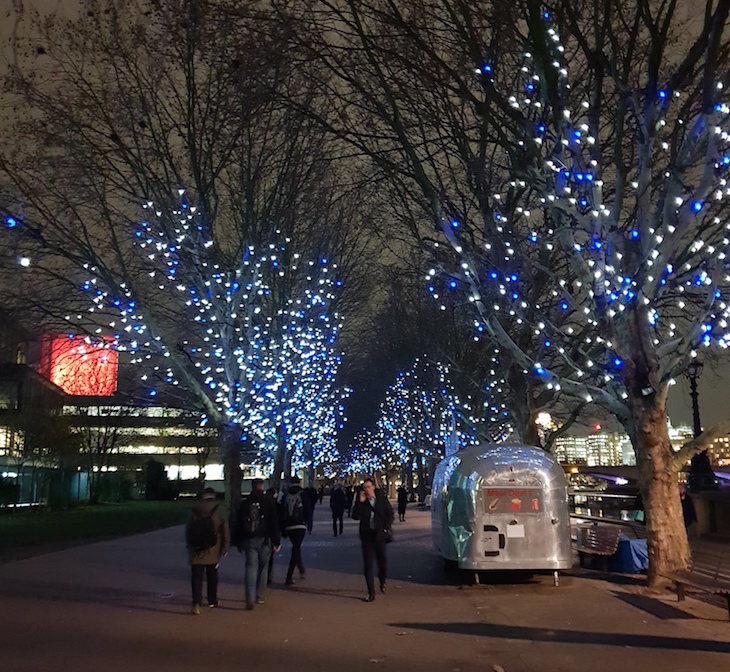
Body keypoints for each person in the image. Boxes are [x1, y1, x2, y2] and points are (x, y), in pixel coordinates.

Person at [237, 479, 281, 610]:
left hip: (249, 539)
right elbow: (274, 522)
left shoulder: (245, 503)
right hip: (265, 540)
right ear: (262, 487)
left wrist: (238, 541)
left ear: (252, 486)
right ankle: (260, 595)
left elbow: (238, 522)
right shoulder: (268, 502)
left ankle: (249, 597)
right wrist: (276, 540)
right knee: (263, 568)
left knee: (250, 567)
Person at [185, 487, 229, 615]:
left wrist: (189, 545)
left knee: (196, 577)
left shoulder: (194, 509)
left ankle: (196, 603)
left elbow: (188, 530)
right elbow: (225, 530)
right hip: (213, 548)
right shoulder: (219, 510)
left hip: (196, 549)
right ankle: (212, 600)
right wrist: (225, 547)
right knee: (212, 576)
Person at [352, 477, 394, 602]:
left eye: (369, 487)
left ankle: (382, 579)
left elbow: (390, 514)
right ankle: (371, 592)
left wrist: (386, 527)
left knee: (382, 563)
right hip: (367, 536)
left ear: (373, 487)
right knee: (368, 565)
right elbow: (355, 516)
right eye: (365, 488)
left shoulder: (381, 499)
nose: (367, 490)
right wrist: (359, 501)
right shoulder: (362, 501)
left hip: (379, 536)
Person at [281, 477, 308, 586]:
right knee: (296, 548)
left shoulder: (285, 496)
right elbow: (308, 509)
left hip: (289, 526)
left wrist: (282, 528)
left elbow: (282, 511)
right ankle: (289, 576)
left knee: (296, 547)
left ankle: (301, 569)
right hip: (300, 525)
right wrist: (308, 523)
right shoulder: (303, 494)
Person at [265, 487, 278, 586]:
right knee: (269, 558)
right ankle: (266, 577)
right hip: (267, 536)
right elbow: (275, 523)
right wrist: (277, 540)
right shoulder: (274, 505)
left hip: (255, 534)